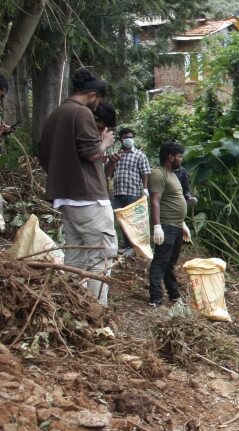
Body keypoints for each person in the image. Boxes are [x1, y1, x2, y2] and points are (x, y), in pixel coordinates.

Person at [38, 69, 116, 305]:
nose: (96, 108)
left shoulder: (55, 115)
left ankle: (73, 309)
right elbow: (92, 152)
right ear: (92, 95)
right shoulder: (80, 113)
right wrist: (104, 142)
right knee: (101, 256)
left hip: (66, 200)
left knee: (76, 257)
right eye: (98, 101)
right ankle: (97, 312)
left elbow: (43, 156)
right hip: (89, 199)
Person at [147, 142, 190, 307]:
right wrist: (157, 226)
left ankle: (173, 294)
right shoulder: (158, 173)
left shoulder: (173, 174)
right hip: (166, 225)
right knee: (161, 261)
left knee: (171, 262)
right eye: (179, 156)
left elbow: (173, 200)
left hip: (177, 225)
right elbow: (155, 201)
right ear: (170, 157)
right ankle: (155, 296)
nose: (181, 159)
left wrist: (183, 223)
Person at [108, 128, 152, 256]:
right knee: (121, 221)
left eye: (131, 137)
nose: (129, 139)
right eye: (126, 137)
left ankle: (134, 247)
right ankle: (127, 245)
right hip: (118, 192)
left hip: (133, 192)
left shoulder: (139, 155)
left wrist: (144, 189)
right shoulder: (116, 155)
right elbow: (110, 174)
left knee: (133, 221)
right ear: (121, 139)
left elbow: (145, 173)